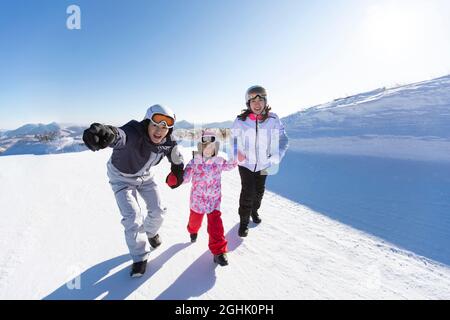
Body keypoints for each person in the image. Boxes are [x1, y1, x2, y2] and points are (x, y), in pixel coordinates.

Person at [82, 104, 184, 277]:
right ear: (146, 123)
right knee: (133, 217)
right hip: (121, 178)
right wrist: (106, 133)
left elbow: (175, 155)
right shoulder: (133, 132)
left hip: (146, 177)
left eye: (164, 128)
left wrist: (177, 170)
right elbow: (119, 135)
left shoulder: (168, 141)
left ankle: (151, 233)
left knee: (158, 210)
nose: (159, 131)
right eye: (155, 125)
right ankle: (139, 257)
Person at [168, 130, 242, 266]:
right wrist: (175, 179)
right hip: (197, 201)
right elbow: (185, 178)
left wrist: (237, 156)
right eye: (205, 145)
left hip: (214, 201)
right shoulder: (194, 162)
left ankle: (219, 252)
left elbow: (230, 165)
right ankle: (192, 231)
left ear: (216, 147)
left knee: (216, 226)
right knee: (194, 222)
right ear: (200, 147)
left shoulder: (219, 161)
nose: (208, 148)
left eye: (211, 145)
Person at [231, 85, 289, 237]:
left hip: (264, 164)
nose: (257, 104)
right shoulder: (240, 121)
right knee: (247, 192)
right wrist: (238, 152)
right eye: (253, 101)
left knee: (259, 192)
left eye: (260, 100)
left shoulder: (273, 119)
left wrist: (276, 155)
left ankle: (254, 211)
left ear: (265, 101)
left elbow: (283, 139)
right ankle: (243, 223)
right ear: (248, 104)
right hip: (246, 164)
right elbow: (234, 140)